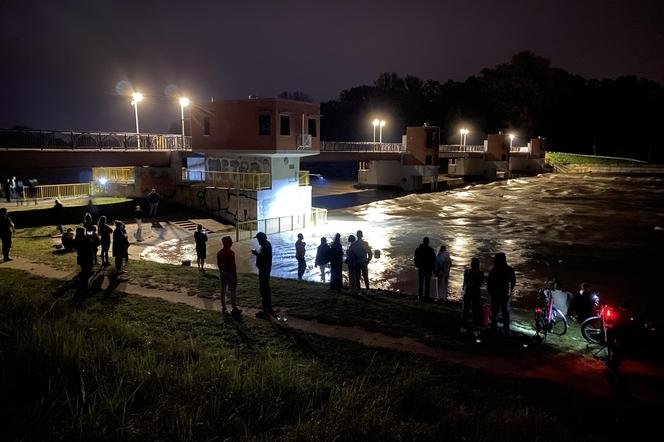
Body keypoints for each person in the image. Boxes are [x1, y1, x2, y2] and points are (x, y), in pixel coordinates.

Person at [487, 252, 516, 335]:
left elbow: (489, 282)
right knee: (505, 313)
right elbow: (513, 282)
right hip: (505, 294)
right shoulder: (510, 269)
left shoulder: (494, 269)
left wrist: (490, 292)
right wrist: (509, 292)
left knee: (494, 312)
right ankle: (506, 330)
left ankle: (493, 328)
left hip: (495, 294)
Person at [217, 236, 241, 316]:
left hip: (222, 273)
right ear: (228, 243)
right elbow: (232, 266)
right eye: (230, 241)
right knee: (233, 291)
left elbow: (219, 265)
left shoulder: (219, 253)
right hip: (230, 274)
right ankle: (234, 308)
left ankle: (223, 306)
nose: (231, 243)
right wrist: (234, 275)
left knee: (223, 289)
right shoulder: (231, 253)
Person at [252, 232, 273, 317]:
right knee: (264, 288)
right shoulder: (266, 244)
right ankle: (267, 306)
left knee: (264, 288)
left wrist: (256, 253)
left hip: (264, 270)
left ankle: (265, 309)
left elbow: (263, 258)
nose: (257, 241)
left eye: (258, 239)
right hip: (264, 269)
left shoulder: (266, 246)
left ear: (261, 239)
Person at [461, 257, 484, 335]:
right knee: (475, 311)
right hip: (476, 292)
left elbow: (465, 282)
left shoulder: (467, 271)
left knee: (465, 310)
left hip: (468, 291)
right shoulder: (481, 273)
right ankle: (475, 328)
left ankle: (464, 326)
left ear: (471, 264)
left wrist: (464, 287)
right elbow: (480, 284)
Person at [74, 227, 94, 295]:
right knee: (87, 272)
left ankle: (82, 284)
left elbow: (75, 246)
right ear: (83, 232)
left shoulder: (76, 239)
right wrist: (92, 238)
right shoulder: (85, 239)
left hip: (81, 257)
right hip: (87, 257)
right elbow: (92, 245)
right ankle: (85, 289)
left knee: (84, 271)